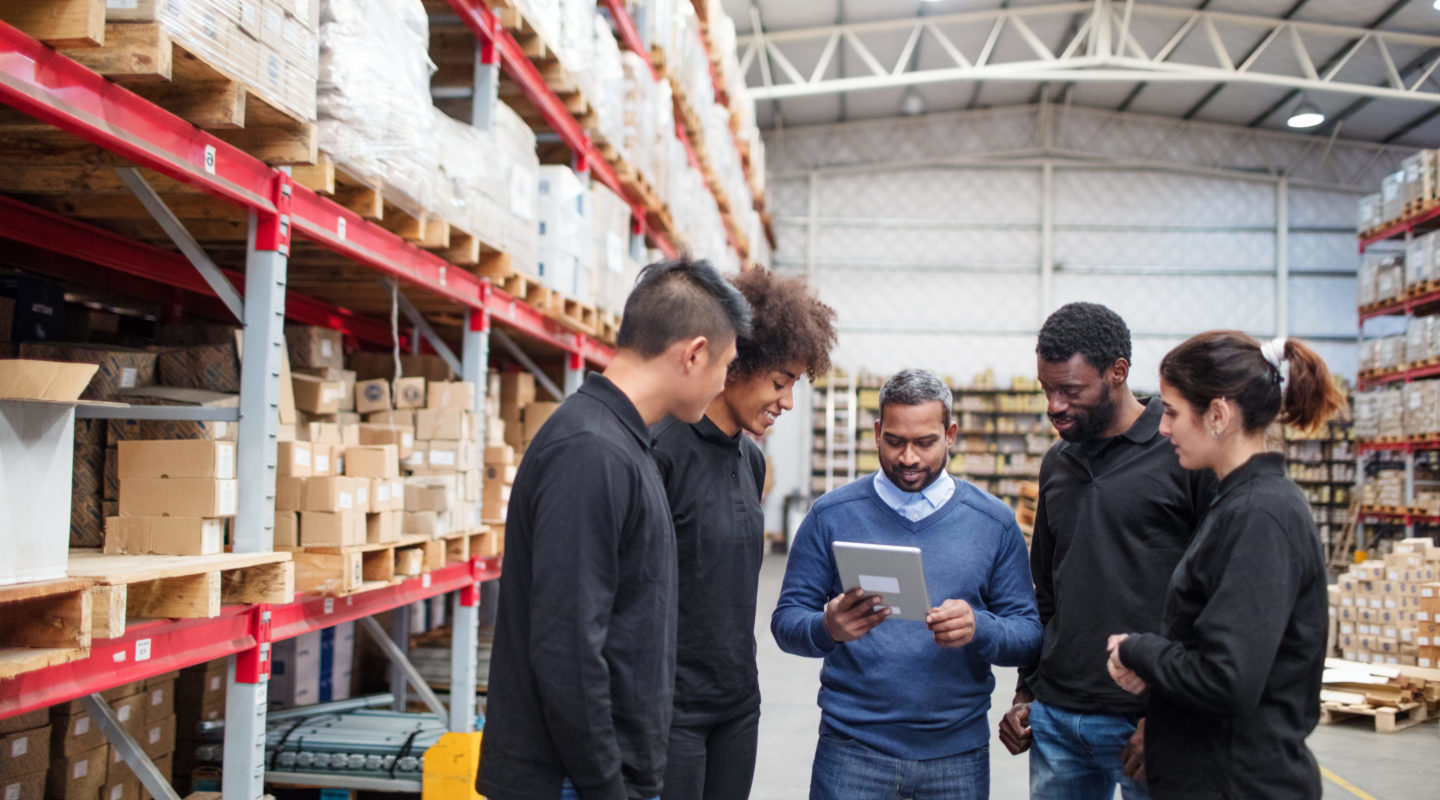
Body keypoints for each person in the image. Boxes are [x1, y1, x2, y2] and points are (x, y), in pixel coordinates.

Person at [478, 258, 753, 800]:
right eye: (728, 364)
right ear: (694, 354)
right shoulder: (591, 452)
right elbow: (567, 647)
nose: (726, 381)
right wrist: (609, 787)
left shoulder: (626, 444)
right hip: (574, 782)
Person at [772, 368, 1042, 800]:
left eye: (925, 442)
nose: (909, 458)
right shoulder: (832, 516)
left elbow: (1029, 636)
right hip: (851, 750)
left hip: (956, 755)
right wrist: (828, 627)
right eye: (895, 441)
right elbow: (786, 622)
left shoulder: (993, 523)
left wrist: (980, 628)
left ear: (950, 434)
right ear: (877, 432)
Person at [1106, 332, 1345, 800]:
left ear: (1217, 415)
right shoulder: (1238, 502)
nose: (1163, 428)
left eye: (1172, 411)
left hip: (1238, 783)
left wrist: (1139, 651)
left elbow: (1227, 678)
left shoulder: (1259, 516)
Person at [1000, 303, 1214, 799]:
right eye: (1046, 389)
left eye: (1071, 391)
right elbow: (1046, 590)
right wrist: (1027, 689)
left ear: (1118, 372)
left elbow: (1209, 598)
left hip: (1146, 722)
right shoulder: (1057, 463)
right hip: (1056, 719)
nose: (1054, 405)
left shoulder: (1181, 453)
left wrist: (1168, 714)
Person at [652, 268, 837, 800]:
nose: (788, 402)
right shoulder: (661, 450)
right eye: (780, 382)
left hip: (736, 703)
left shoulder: (751, 462)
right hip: (671, 710)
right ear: (736, 364)